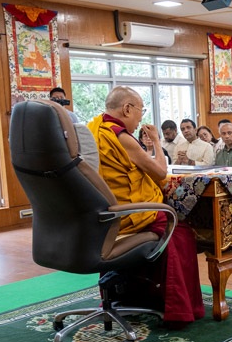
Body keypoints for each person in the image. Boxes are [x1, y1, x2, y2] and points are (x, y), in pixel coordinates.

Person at [86, 86, 204, 325]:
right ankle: (176, 309)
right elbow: (161, 172)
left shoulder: (92, 129)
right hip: (129, 215)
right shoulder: (121, 137)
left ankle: (131, 296)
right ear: (127, 109)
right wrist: (157, 143)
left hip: (100, 215)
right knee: (180, 233)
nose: (141, 117)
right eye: (140, 110)